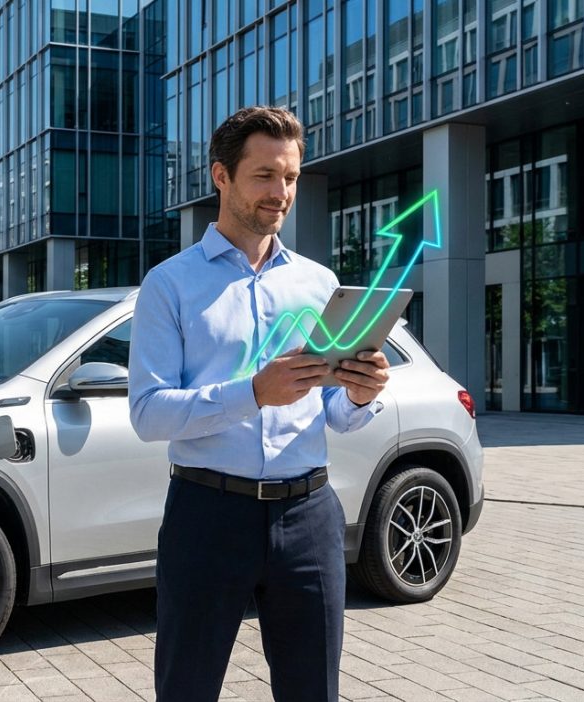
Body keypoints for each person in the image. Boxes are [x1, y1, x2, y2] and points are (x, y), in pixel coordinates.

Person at [128, 106, 391, 702]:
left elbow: (334, 413)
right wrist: (251, 393)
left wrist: (360, 392)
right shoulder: (169, 285)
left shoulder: (319, 284)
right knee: (187, 689)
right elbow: (148, 412)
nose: (282, 193)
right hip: (207, 515)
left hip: (309, 517)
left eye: (291, 177)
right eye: (265, 176)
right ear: (221, 177)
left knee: (313, 692)